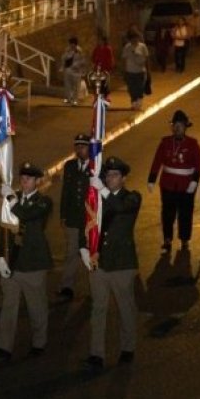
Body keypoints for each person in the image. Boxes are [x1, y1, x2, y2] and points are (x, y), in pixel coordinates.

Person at [84, 156, 142, 370]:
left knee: (125, 307)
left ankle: (127, 347)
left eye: (115, 175)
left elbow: (119, 208)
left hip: (122, 263)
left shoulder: (132, 197)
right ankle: (96, 353)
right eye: (107, 175)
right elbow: (89, 223)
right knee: (98, 308)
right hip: (100, 261)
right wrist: (85, 248)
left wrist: (102, 191)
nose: (110, 178)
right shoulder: (97, 199)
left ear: (124, 178)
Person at [0, 162, 53, 360]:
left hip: (33, 262)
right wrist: (1, 257)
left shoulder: (44, 202)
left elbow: (28, 215)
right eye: (23, 178)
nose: (24, 181)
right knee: (9, 307)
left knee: (36, 306)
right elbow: (3, 229)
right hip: (13, 261)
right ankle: (4, 346)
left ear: (38, 181)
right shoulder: (12, 200)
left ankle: (39, 342)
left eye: (29, 178)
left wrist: (11, 199)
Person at [146, 109, 200, 253]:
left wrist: (194, 181)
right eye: (175, 125)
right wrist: (152, 179)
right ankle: (167, 240)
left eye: (180, 125)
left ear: (185, 127)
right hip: (168, 184)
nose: (177, 128)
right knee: (167, 213)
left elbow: (199, 163)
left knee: (185, 213)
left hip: (186, 185)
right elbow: (157, 160)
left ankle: (185, 239)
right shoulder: (165, 142)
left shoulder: (192, 144)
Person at [57, 133, 92, 301]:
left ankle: (95, 285)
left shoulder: (97, 167)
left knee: (90, 253)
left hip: (89, 219)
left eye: (83, 146)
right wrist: (63, 214)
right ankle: (67, 286)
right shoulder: (70, 166)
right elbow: (66, 191)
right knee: (71, 252)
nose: (80, 149)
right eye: (77, 146)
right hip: (72, 217)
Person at [120, 29, 150, 110]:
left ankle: (139, 100)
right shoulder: (127, 47)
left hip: (140, 71)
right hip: (130, 71)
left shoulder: (142, 46)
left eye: (136, 38)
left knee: (140, 87)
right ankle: (133, 102)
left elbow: (146, 57)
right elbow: (124, 59)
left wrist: (147, 69)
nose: (135, 40)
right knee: (131, 88)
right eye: (133, 38)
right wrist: (124, 70)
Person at [60, 36, 89, 105]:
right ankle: (69, 99)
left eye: (72, 43)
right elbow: (64, 58)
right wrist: (63, 67)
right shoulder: (67, 50)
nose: (71, 45)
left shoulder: (79, 51)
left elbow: (83, 61)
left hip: (76, 71)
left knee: (76, 86)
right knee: (68, 85)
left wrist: (82, 70)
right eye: (70, 44)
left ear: (75, 44)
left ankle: (75, 99)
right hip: (68, 70)